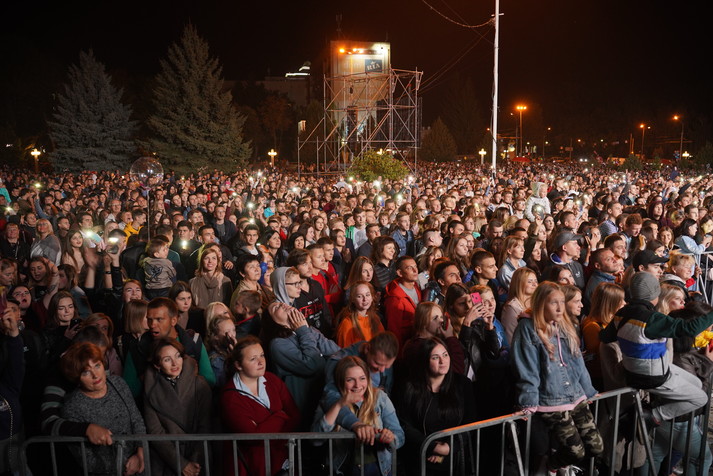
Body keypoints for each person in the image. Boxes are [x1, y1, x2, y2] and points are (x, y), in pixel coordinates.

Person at [511, 282, 603, 474]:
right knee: (575, 451)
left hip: (575, 394)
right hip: (551, 400)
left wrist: (588, 390)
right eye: (554, 303)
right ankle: (550, 466)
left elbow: (578, 361)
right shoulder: (527, 328)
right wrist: (528, 402)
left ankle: (558, 463)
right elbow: (527, 368)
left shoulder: (564, 324)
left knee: (596, 447)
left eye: (562, 302)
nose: (560, 308)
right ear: (541, 304)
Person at [603, 272, 713, 426]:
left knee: (697, 383)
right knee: (701, 398)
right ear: (654, 294)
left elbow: (605, 337)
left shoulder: (622, 313)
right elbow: (689, 328)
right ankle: (652, 416)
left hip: (634, 370)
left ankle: (653, 409)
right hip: (651, 376)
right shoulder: (653, 319)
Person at [60, 342, 146, 476]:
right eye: (86, 372)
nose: (95, 375)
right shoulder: (72, 406)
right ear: (77, 377)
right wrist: (124, 466)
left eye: (97, 365)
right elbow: (86, 459)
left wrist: (140, 453)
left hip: (138, 465)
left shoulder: (118, 383)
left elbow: (136, 419)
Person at [395, 337, 477, 475]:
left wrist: (449, 448)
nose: (442, 361)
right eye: (435, 357)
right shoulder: (409, 387)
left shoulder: (463, 384)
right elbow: (405, 425)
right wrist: (432, 446)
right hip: (419, 460)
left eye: (445, 355)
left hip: (454, 459)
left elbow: (470, 422)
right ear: (425, 361)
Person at [220, 335, 300, 476]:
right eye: (253, 359)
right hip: (252, 467)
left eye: (262, 355)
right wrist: (281, 415)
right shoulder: (230, 397)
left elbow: (295, 416)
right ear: (238, 365)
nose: (261, 361)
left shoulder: (272, 380)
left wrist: (265, 428)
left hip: (283, 461)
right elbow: (254, 436)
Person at [313, 356, 404, 476]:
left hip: (378, 470)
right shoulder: (331, 400)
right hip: (342, 471)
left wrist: (390, 438)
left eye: (362, 378)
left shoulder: (380, 398)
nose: (357, 385)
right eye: (350, 380)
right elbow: (316, 440)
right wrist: (339, 405)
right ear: (340, 381)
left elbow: (400, 435)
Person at [261, 300, 340, 429]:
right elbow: (312, 364)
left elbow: (336, 351)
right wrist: (303, 331)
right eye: (276, 308)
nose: (282, 304)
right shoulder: (278, 344)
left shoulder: (305, 329)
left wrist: (305, 330)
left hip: (323, 398)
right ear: (273, 321)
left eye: (281, 303)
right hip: (305, 408)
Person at [143, 339, 211, 476]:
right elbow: (155, 431)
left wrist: (194, 461)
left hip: (198, 456)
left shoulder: (200, 384)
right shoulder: (150, 390)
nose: (175, 363)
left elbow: (205, 425)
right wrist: (181, 464)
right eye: (167, 359)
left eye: (178, 356)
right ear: (157, 365)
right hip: (168, 459)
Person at [580, 282, 625, 389]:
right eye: (620, 300)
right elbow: (600, 359)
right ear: (610, 303)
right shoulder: (592, 327)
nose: (624, 303)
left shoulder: (613, 321)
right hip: (603, 379)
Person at [383, 256, 422, 351]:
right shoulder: (395, 298)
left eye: (415, 266)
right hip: (404, 348)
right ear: (400, 273)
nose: (415, 270)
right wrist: (400, 354)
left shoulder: (416, 287)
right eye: (409, 268)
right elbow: (394, 330)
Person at [335, 281, 385, 348]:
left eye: (367, 295)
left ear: (372, 297)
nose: (365, 299)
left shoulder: (375, 318)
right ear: (353, 299)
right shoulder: (347, 324)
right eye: (359, 296)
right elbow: (344, 352)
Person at [500, 267, 538, 344]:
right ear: (519, 283)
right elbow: (511, 337)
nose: (534, 284)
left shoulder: (538, 303)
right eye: (530, 282)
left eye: (536, 281)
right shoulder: (512, 307)